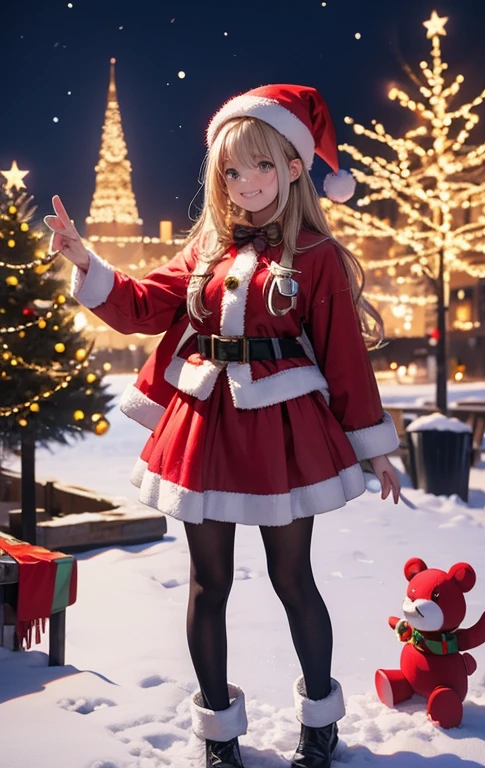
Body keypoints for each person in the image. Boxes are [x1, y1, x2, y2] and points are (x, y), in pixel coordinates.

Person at [44, 84, 401, 768]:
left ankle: (319, 722)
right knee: (208, 585)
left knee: (293, 580)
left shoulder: (316, 256)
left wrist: (372, 445)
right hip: (205, 426)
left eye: (261, 167)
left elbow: (345, 358)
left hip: (284, 435)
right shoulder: (206, 248)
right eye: (231, 171)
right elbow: (146, 304)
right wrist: (86, 264)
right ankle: (219, 737)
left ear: (295, 167)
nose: (246, 184)